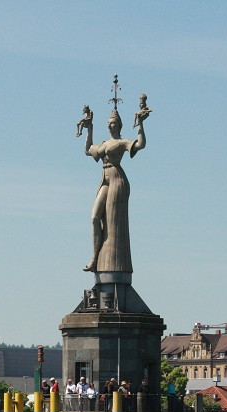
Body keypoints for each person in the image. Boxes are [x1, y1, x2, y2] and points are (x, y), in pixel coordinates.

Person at [80, 79, 149, 274]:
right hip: (105, 178)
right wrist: (89, 128)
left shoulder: (121, 142)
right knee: (95, 217)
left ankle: (106, 261)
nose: (110, 125)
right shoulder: (104, 143)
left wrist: (141, 125)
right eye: (108, 123)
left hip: (117, 179)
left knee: (113, 221)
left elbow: (140, 145)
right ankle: (95, 258)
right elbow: (88, 150)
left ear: (119, 125)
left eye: (113, 123)